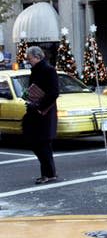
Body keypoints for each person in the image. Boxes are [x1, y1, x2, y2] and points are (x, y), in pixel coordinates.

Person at [22, 46, 59, 184]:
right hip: (35, 110)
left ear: (37, 57)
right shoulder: (37, 70)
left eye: (29, 58)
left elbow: (54, 93)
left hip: (44, 112)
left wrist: (39, 106)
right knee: (38, 143)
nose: (28, 61)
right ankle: (49, 173)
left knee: (42, 143)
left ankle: (48, 174)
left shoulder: (48, 70)